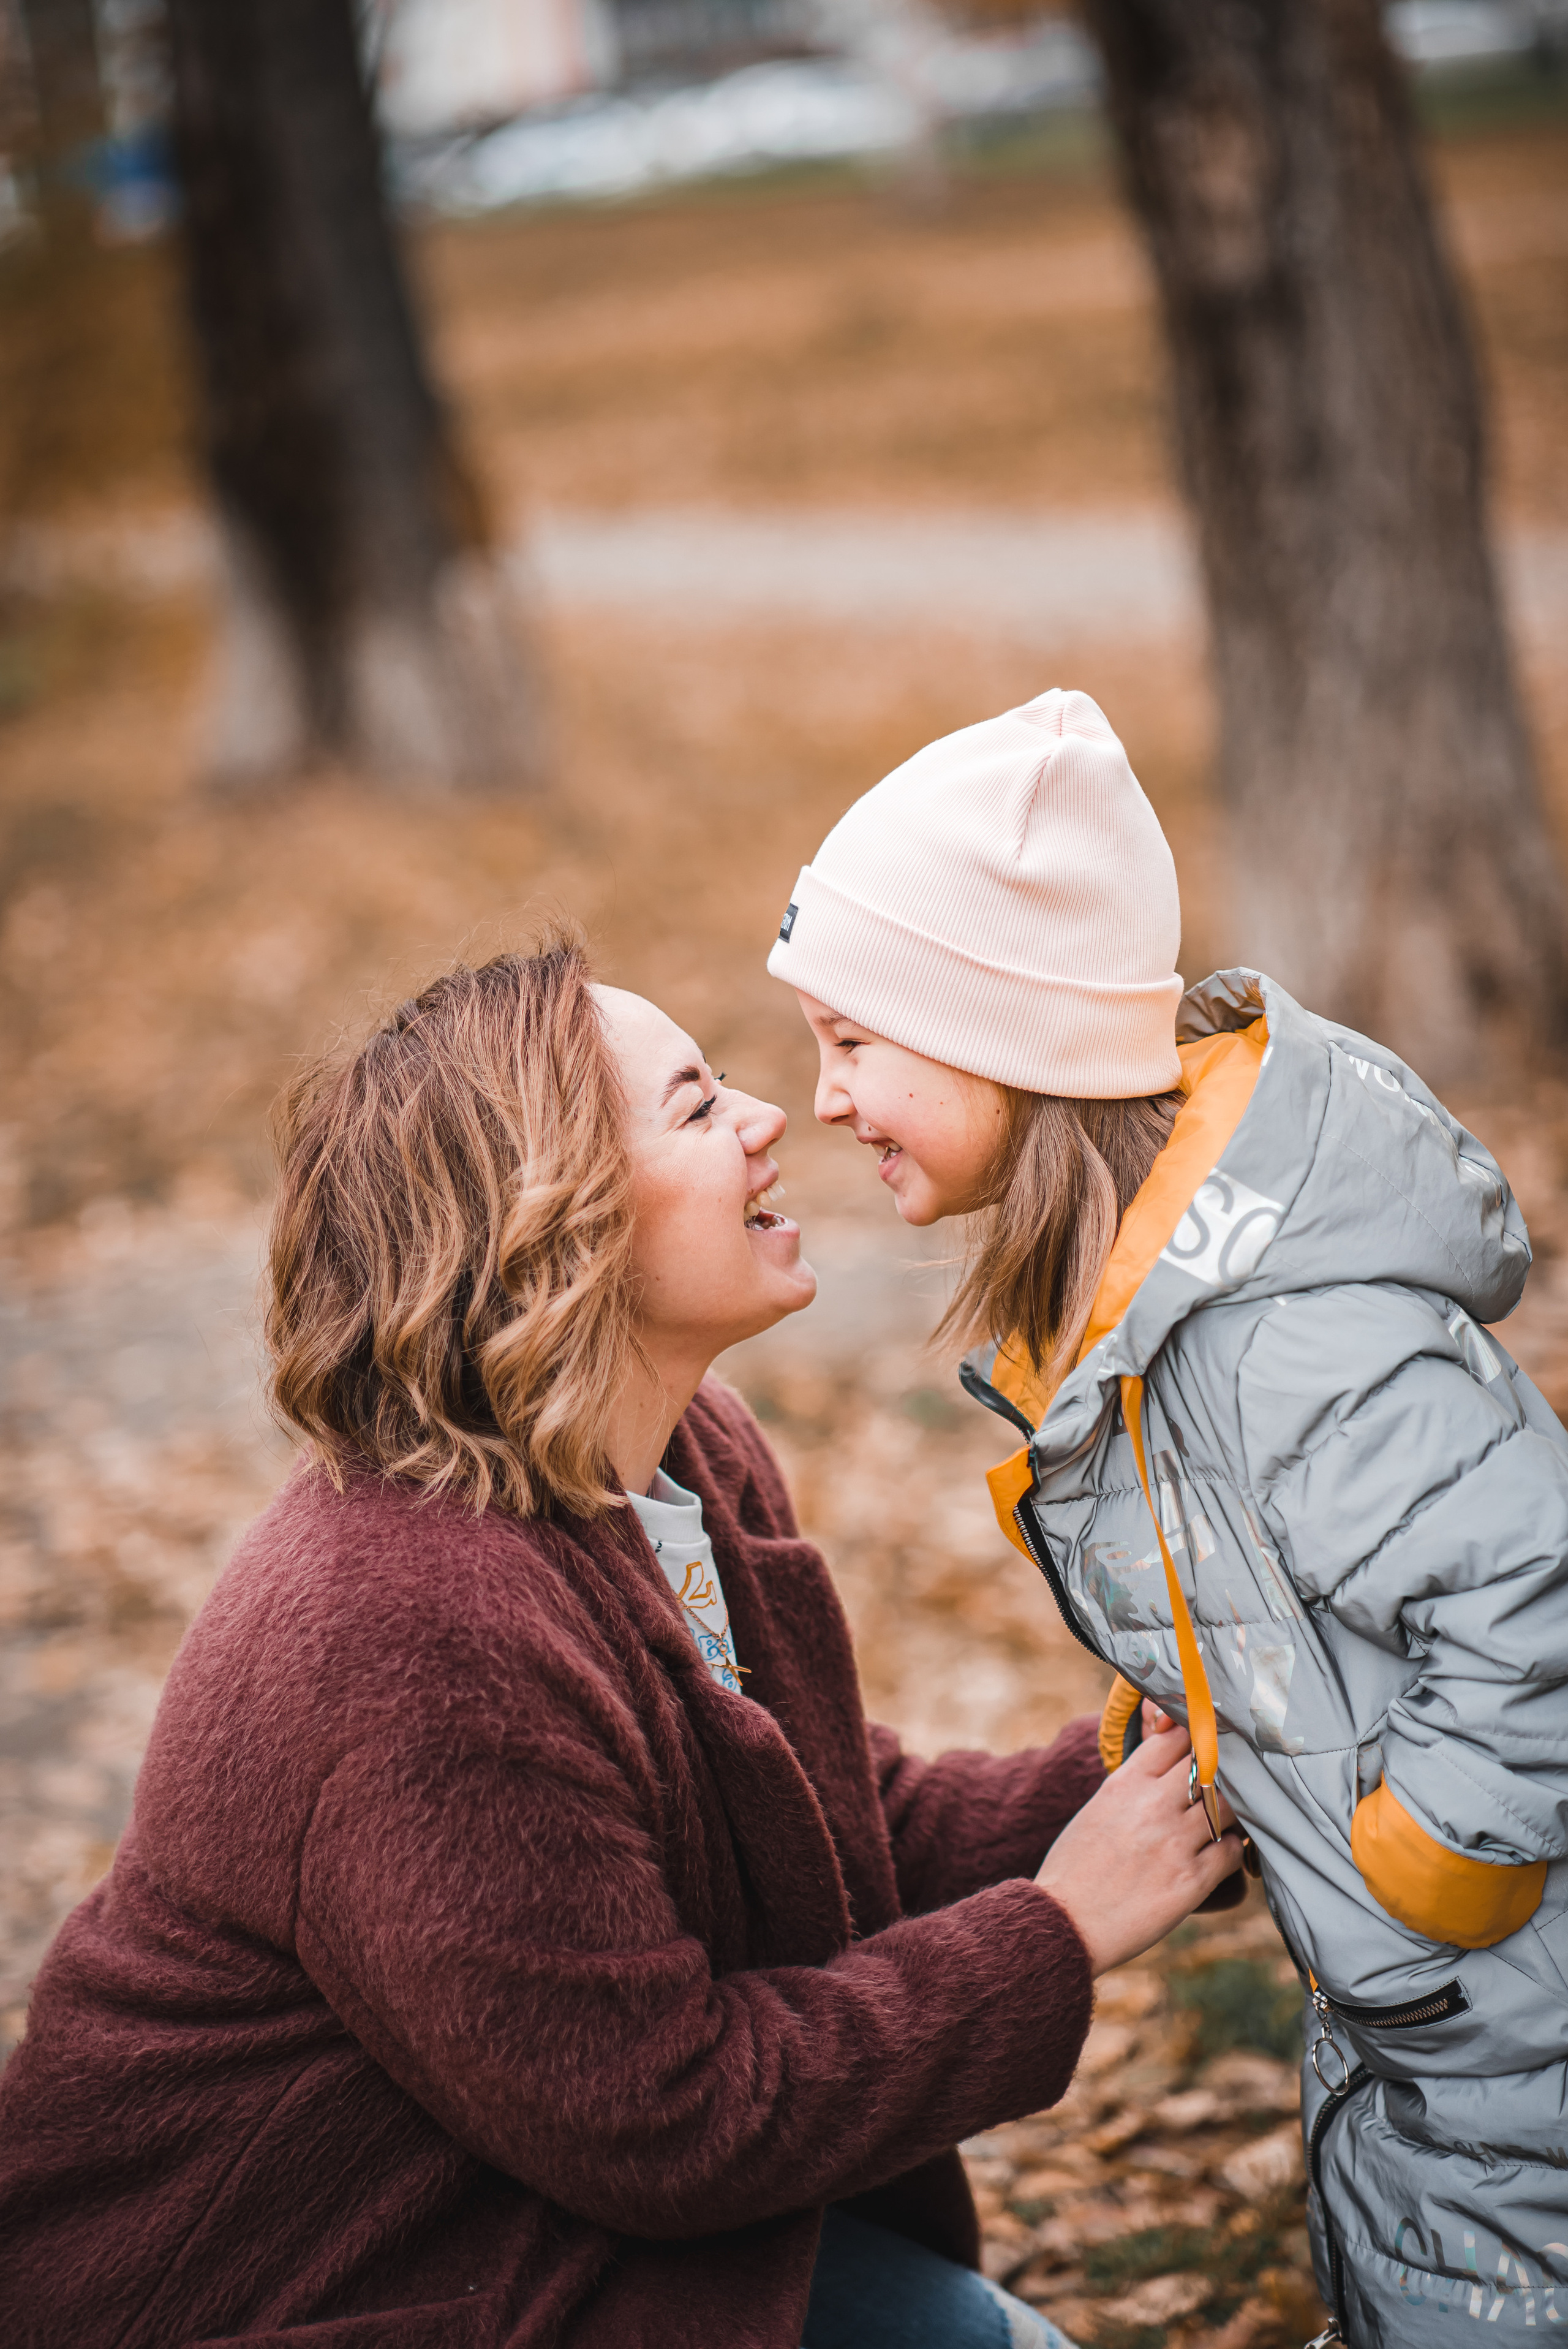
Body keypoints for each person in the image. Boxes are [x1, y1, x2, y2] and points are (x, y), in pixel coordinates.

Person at [0, 938, 1242, 2349]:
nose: (771, 1117)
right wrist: (1059, 1932)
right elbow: (672, 2118)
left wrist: (1141, 1785)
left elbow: (832, 1831)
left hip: (524, 2220)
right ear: (553, 1222)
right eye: (700, 1107)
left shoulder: (682, 1454)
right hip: (302, 2293)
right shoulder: (411, 1636)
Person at [767, 686, 1568, 2346]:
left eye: (855, 1041)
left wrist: (1442, 1855)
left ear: (1008, 1035)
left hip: (1511, 1998)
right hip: (1419, 2007)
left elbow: (1534, 1582)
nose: (823, 1097)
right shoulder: (1145, 1320)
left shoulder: (1292, 1332)